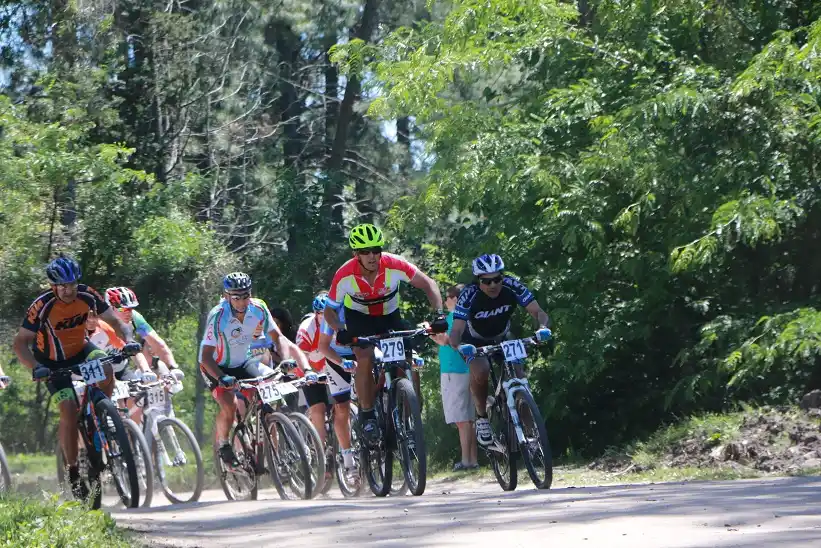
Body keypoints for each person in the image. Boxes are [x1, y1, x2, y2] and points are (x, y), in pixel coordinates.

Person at [12, 254, 141, 500]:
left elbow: (116, 322)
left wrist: (129, 340)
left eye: (71, 284)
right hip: (51, 363)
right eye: (62, 286)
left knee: (106, 369)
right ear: (53, 286)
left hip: (81, 351)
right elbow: (20, 344)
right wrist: (35, 367)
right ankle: (72, 471)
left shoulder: (87, 294)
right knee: (69, 410)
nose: (68, 290)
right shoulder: (42, 305)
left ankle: (102, 412)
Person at [324, 223, 448, 443]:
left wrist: (439, 315)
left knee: (405, 359)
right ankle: (367, 414)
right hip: (359, 318)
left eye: (376, 250)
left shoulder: (394, 264)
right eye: (365, 252)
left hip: (389, 316)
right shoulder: (344, 275)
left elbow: (429, 284)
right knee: (364, 356)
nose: (372, 256)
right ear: (356, 254)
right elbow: (329, 310)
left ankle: (409, 415)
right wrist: (340, 330)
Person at [198, 272, 314, 467]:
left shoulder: (258, 308)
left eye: (245, 296)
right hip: (216, 366)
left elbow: (278, 338)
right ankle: (224, 444)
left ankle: (266, 431)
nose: (242, 302)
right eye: (236, 297)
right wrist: (221, 377)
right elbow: (206, 356)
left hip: (244, 362)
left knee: (271, 386)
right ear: (226, 296)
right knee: (229, 405)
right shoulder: (218, 316)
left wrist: (285, 360)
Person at [449, 254, 552, 447]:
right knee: (482, 370)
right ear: (478, 281)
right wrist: (459, 346)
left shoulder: (512, 285)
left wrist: (543, 327)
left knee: (519, 376)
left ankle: (531, 432)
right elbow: (456, 330)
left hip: (502, 336)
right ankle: (482, 417)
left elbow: (538, 312)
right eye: (486, 281)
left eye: (497, 279)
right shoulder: (468, 294)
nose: (493, 285)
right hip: (474, 340)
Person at [432, 284, 478, 470]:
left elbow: (446, 341)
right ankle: (472, 459)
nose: (445, 301)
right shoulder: (468, 317)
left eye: (448, 297)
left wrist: (430, 332)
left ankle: (466, 461)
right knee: (469, 418)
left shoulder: (452, 318)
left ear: (456, 299)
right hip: (468, 369)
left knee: (461, 420)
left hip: (454, 371)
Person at [314, 298, 358, 475]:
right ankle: (348, 461)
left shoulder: (367, 305)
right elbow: (323, 347)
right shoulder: (333, 312)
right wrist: (341, 362)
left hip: (360, 353)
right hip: (336, 358)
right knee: (342, 408)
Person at [105, 287, 185, 380]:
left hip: (120, 368)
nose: (128, 313)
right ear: (110, 308)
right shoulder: (99, 320)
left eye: (130, 309)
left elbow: (157, 343)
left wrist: (172, 368)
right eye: (122, 309)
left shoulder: (134, 318)